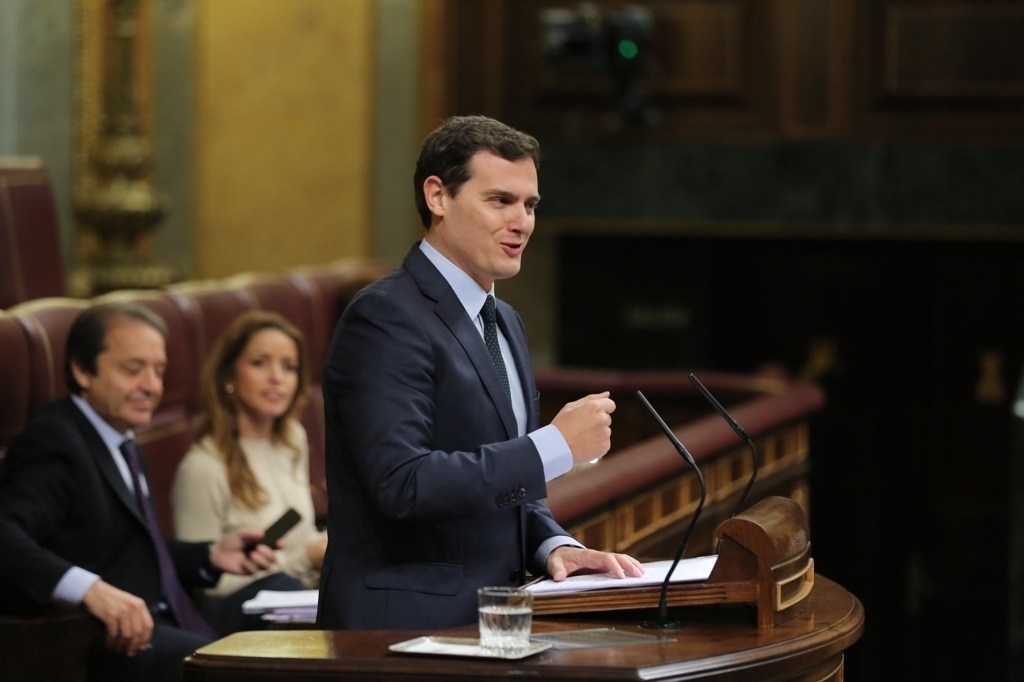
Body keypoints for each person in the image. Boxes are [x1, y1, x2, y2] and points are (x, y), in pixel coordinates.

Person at [317, 114, 645, 631]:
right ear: (438, 197)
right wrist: (555, 446)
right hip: (401, 630)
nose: (523, 222)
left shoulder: (504, 319)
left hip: (492, 620)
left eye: (530, 205)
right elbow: (403, 483)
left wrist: (551, 543)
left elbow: (505, 487)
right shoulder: (385, 317)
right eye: (500, 201)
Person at [0, 302, 278, 682]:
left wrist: (209, 556)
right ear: (83, 370)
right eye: (133, 370)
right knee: (239, 664)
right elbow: (5, 535)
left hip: (167, 615)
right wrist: (90, 590)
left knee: (286, 591)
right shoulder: (55, 440)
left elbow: (125, 545)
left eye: (159, 371)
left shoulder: (121, 437)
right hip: (109, 641)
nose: (152, 386)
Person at [172, 310, 327, 631]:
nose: (277, 377)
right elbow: (209, 586)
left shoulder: (292, 439)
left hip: (298, 602)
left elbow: (303, 535)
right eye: (260, 363)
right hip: (235, 620)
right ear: (229, 376)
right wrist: (304, 560)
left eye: (290, 367)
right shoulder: (202, 468)